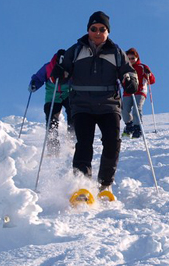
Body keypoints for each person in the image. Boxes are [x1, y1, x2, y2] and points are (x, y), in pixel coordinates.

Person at [52, 11, 138, 192]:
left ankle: (104, 185)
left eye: (102, 29)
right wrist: (59, 73)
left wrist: (130, 81)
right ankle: (81, 185)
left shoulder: (116, 52)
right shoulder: (75, 51)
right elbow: (62, 73)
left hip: (109, 105)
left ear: (108, 32)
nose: (97, 33)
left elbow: (128, 71)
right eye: (94, 28)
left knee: (112, 143)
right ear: (88, 30)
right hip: (82, 105)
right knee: (84, 144)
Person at [29, 50, 73, 155]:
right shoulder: (49, 67)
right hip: (52, 96)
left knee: (73, 115)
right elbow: (38, 77)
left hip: (68, 94)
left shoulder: (71, 66)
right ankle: (53, 147)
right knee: (51, 119)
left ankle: (72, 140)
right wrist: (34, 84)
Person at [121, 48, 155, 139]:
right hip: (127, 92)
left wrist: (149, 74)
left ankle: (137, 127)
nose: (131, 60)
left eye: (133, 58)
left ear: (137, 58)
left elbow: (151, 81)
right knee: (124, 110)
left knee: (137, 109)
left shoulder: (142, 67)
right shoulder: (125, 68)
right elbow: (121, 80)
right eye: (129, 58)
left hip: (140, 91)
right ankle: (129, 125)